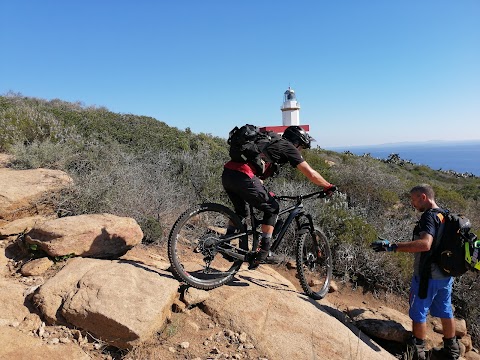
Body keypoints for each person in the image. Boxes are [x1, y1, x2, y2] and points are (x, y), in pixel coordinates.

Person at [222, 125, 335, 269]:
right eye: (301, 147)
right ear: (297, 142)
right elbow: (311, 173)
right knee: (273, 208)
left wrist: (263, 191)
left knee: (241, 212)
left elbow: (257, 170)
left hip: (228, 173)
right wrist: (328, 186)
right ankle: (264, 251)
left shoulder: (270, 140)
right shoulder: (288, 147)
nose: (300, 151)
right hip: (244, 175)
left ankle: (225, 243)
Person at [371, 184, 460, 360]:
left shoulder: (429, 217)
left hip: (427, 275)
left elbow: (425, 244)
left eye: (414, 199)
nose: (412, 203)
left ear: (423, 197)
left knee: (419, 311)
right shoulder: (445, 214)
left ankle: (417, 351)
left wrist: (392, 247)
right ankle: (452, 350)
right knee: (445, 310)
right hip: (445, 275)